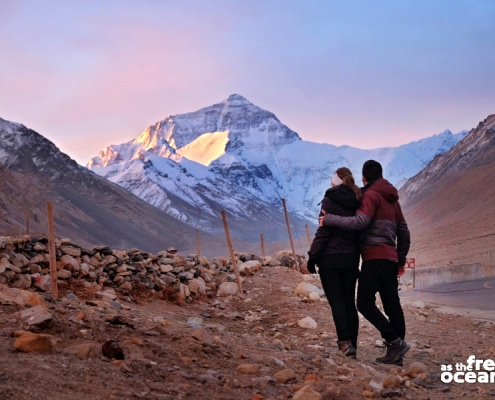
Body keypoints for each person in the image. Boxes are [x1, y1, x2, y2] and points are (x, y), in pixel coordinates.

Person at [319, 160, 411, 365]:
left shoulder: (370, 195)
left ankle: (394, 341)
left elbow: (360, 222)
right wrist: (400, 259)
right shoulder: (393, 200)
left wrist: (329, 219)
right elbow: (404, 231)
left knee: (363, 303)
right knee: (392, 304)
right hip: (390, 258)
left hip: (374, 257)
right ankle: (397, 354)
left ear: (363, 177)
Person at [307, 167, 361, 357]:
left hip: (329, 259)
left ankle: (345, 344)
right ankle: (353, 343)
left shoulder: (329, 200)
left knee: (336, 301)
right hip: (351, 259)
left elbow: (324, 231)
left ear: (335, 182)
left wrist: (313, 256)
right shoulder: (358, 199)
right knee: (349, 302)